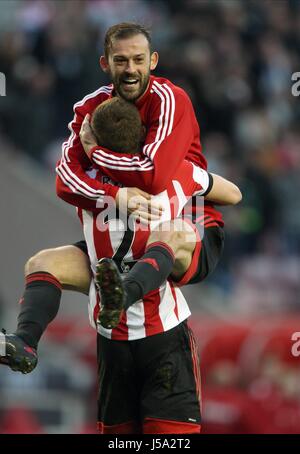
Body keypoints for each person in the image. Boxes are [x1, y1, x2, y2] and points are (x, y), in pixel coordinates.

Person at [0, 23, 240, 423]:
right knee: (45, 262)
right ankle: (25, 343)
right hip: (118, 284)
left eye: (138, 60)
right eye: (121, 60)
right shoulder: (96, 118)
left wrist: (96, 154)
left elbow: (153, 176)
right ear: (105, 64)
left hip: (194, 234)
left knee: (171, 233)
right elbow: (63, 180)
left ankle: (121, 294)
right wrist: (116, 193)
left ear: (153, 61)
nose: (130, 69)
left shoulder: (170, 107)